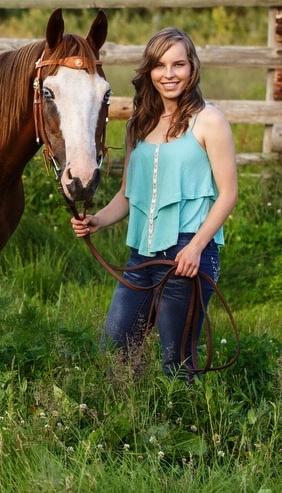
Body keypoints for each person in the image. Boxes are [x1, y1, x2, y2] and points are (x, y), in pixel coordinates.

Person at [71, 27, 238, 378]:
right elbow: (128, 195)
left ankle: (188, 428)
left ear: (192, 67)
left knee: (176, 364)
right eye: (160, 66)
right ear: (149, 71)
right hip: (141, 257)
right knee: (115, 350)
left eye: (179, 64)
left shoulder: (209, 121)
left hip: (187, 255)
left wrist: (195, 248)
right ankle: (128, 424)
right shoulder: (139, 125)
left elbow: (228, 194)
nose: (169, 74)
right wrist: (97, 221)